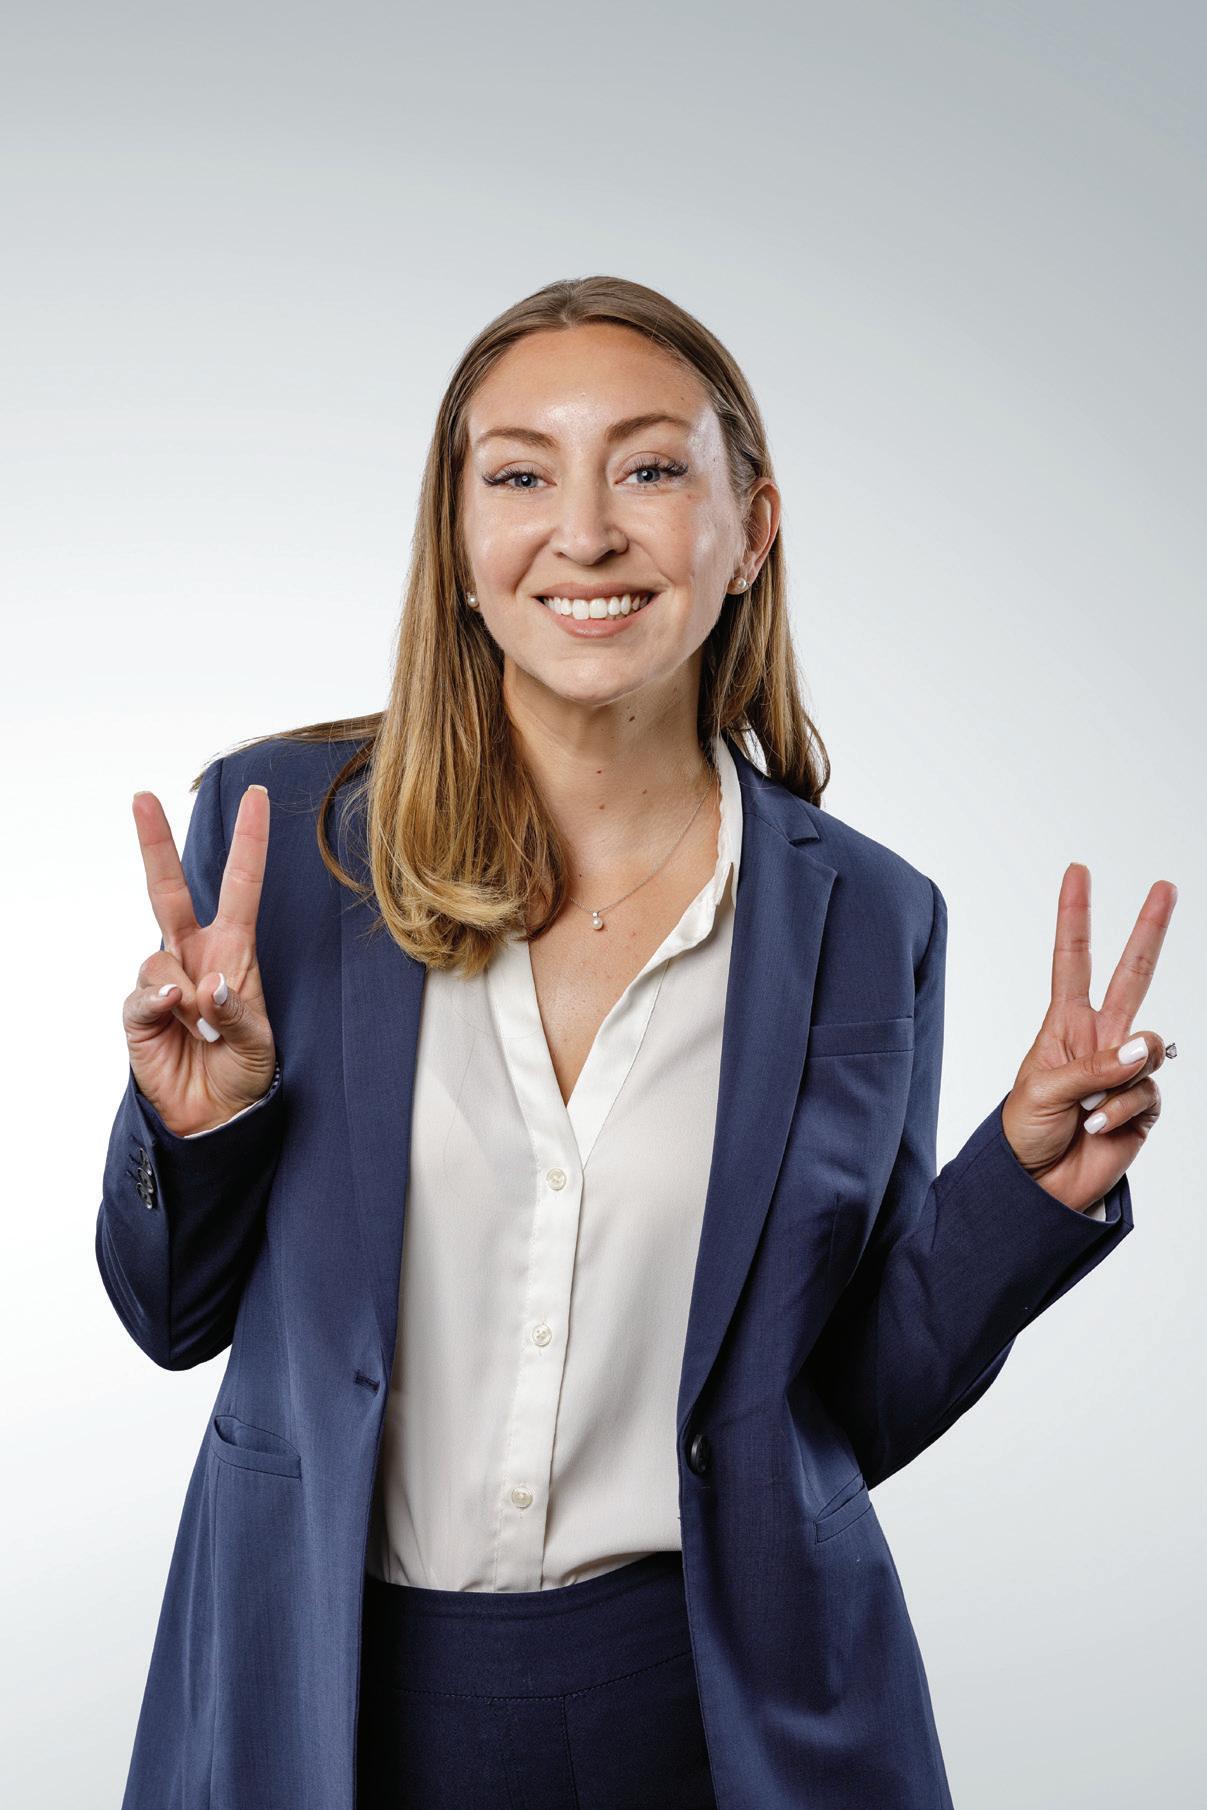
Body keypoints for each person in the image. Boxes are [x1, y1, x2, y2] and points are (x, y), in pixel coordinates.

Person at [99, 275, 1175, 1810]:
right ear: (459, 538)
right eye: (520, 474)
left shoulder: (870, 917)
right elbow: (168, 1314)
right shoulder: (285, 842)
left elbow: (834, 1412)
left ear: (751, 528)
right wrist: (201, 1121)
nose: (586, 532)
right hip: (324, 1702)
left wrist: (1021, 1190)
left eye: (652, 467)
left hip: (714, 1715)